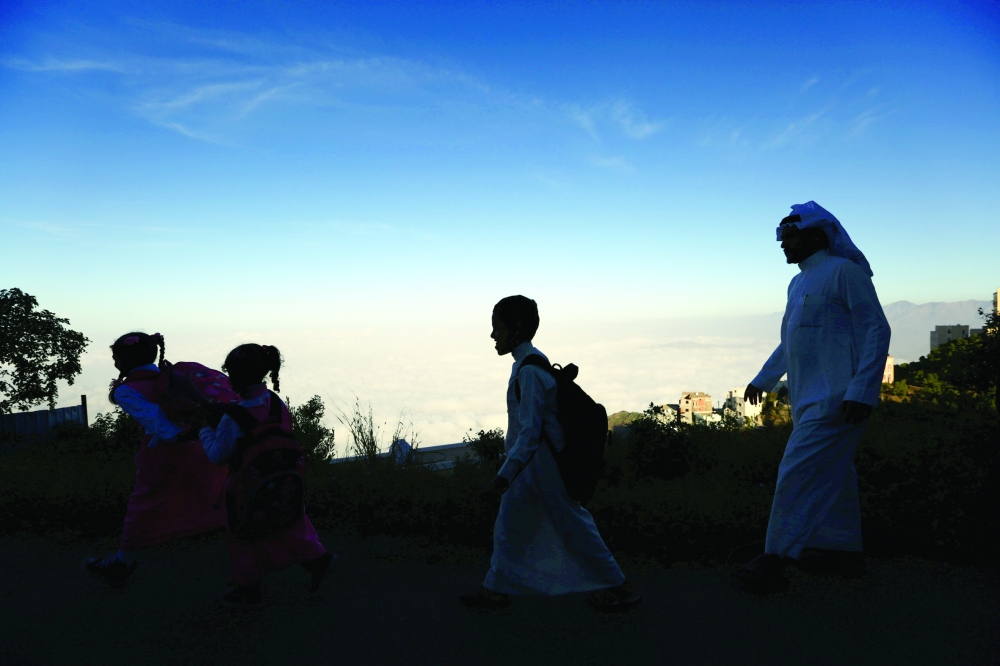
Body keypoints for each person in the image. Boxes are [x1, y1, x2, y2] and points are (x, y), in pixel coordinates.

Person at [737, 202, 891, 593]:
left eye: (790, 236)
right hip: (806, 399)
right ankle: (843, 552)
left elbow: (877, 331)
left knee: (797, 471)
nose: (783, 244)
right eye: (781, 237)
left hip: (839, 399)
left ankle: (776, 557)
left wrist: (862, 390)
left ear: (818, 237)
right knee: (836, 475)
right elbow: (790, 341)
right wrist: (763, 380)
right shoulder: (798, 282)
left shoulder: (845, 273)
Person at [459, 296, 640, 611]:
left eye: (496, 328)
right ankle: (494, 588)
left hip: (542, 467)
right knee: (509, 526)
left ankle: (620, 587)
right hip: (532, 467)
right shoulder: (532, 363)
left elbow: (529, 432)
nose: (493, 336)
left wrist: (503, 477)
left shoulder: (529, 371)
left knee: (574, 524)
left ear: (515, 329)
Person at [83, 332, 229, 586]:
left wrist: (178, 436)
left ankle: (122, 562)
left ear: (125, 360)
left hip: (163, 453)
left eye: (117, 358)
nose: (115, 363)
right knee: (218, 492)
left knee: (143, 504)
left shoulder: (126, 390)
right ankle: (255, 544)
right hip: (203, 444)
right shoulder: (173, 377)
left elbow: (156, 422)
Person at [199, 344, 332, 609]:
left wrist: (205, 430)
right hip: (285, 476)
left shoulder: (232, 418)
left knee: (242, 533)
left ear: (234, 376)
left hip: (245, 484)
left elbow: (217, 456)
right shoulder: (275, 402)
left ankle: (248, 589)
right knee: (292, 518)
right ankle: (317, 557)